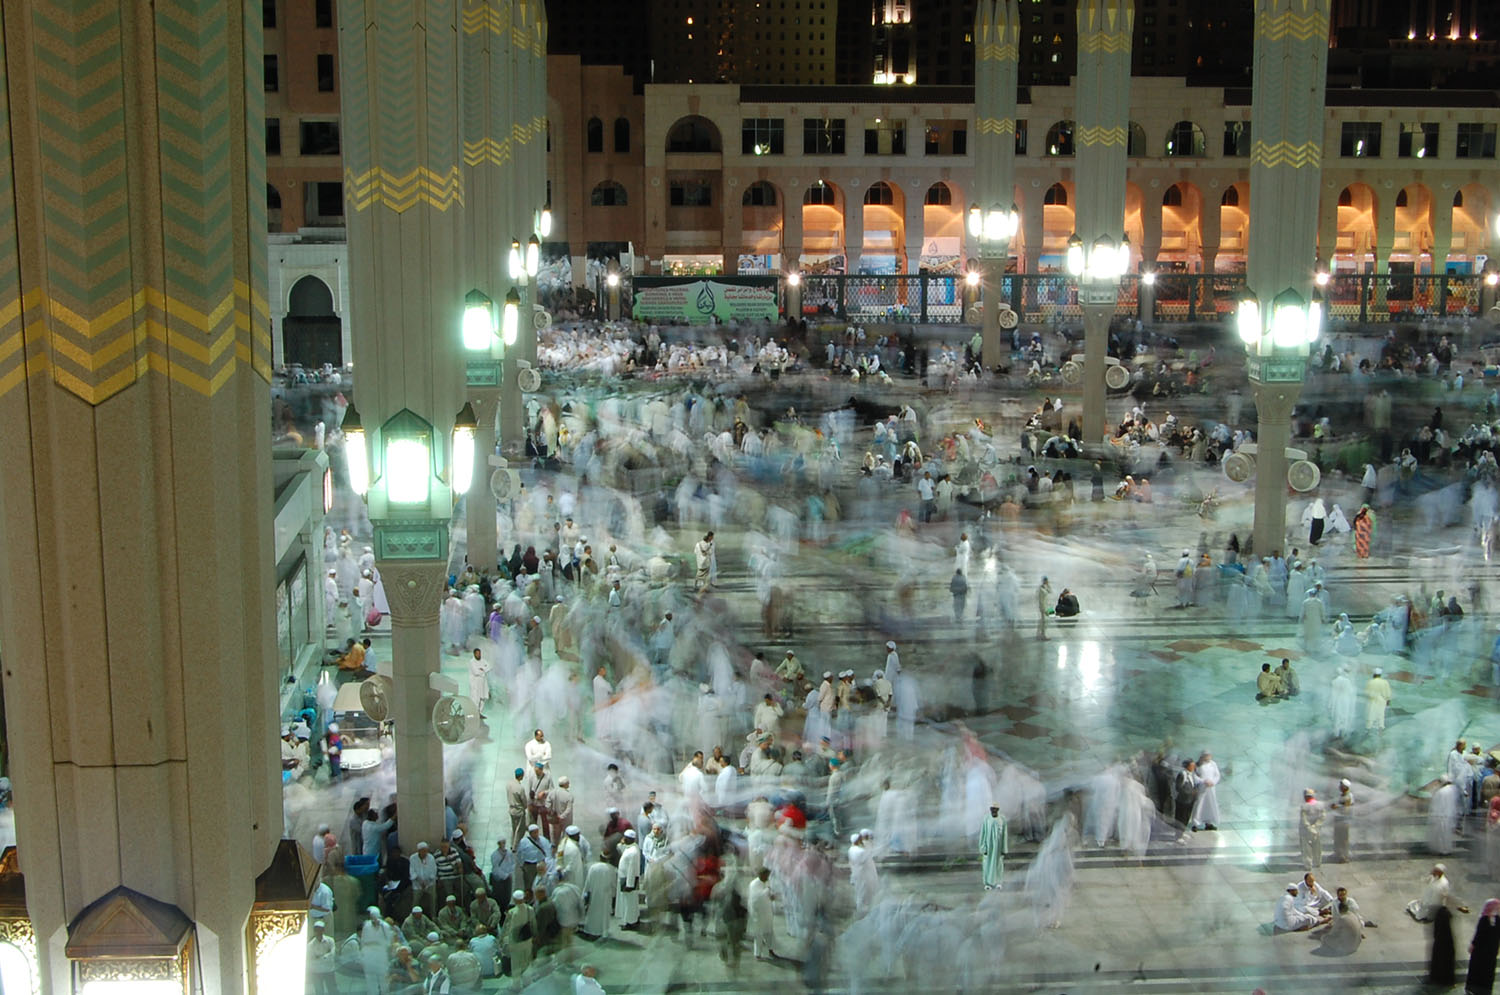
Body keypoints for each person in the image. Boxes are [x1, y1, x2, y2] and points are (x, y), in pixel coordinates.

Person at [1315, 887, 1366, 955]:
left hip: (1347, 946)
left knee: (1325, 938)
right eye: (1341, 895)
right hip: (1350, 921)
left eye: (1344, 895)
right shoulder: (1335, 902)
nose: (1342, 897)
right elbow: (1334, 914)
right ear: (1338, 895)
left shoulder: (1350, 901)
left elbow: (1332, 934)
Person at [1468, 898, 1500, 995]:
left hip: (1480, 952)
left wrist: (1472, 945)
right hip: (1491, 952)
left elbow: (1479, 935)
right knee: (1488, 971)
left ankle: (1473, 988)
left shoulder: (1484, 919)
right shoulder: (1498, 920)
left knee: (1477, 970)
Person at [747, 866, 777, 960]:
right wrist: (767, 891)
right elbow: (756, 898)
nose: (768, 877)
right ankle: (757, 954)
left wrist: (771, 896)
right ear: (761, 875)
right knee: (759, 934)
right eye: (767, 875)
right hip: (758, 914)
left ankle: (771, 950)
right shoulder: (753, 884)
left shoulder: (765, 883)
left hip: (767, 912)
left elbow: (767, 896)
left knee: (769, 932)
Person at [615, 829, 642, 928]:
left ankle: (631, 922)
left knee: (629, 902)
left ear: (630, 839)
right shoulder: (630, 847)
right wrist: (621, 843)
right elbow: (620, 848)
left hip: (628, 880)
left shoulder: (633, 851)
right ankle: (631, 919)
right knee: (628, 901)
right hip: (625, 879)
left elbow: (632, 869)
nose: (623, 839)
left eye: (625, 838)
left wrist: (629, 885)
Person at [979, 803, 1008, 890]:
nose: (994, 811)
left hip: (998, 848)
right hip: (989, 846)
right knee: (987, 864)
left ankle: (998, 882)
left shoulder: (1002, 819)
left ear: (998, 810)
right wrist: (983, 847)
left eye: (995, 809)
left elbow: (1004, 834)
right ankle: (987, 883)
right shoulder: (986, 819)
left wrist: (1004, 848)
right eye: (992, 809)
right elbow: (983, 833)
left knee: (998, 864)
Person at [1191, 752, 1221, 831]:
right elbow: (1194, 776)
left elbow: (1217, 775)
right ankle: (1195, 824)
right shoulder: (1197, 765)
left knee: (1210, 805)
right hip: (1202, 788)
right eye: (1207, 756)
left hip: (1210, 789)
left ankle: (1209, 823)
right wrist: (1204, 781)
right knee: (1199, 805)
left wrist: (1213, 782)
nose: (1208, 757)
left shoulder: (1213, 764)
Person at [307, 920, 338, 995]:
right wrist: (326, 955)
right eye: (316, 930)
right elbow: (311, 958)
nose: (318, 932)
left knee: (333, 990)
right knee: (319, 991)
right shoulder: (310, 945)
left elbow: (332, 954)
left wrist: (320, 957)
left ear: (323, 930)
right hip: (317, 972)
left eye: (320, 929)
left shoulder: (330, 940)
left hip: (329, 970)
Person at [1299, 788, 1326, 869]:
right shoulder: (1320, 805)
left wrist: (1309, 827)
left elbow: (1304, 819)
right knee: (1317, 846)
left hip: (1305, 830)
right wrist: (1316, 826)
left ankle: (1308, 864)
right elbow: (1322, 817)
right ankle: (1317, 862)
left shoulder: (1304, 806)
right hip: (1317, 830)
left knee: (1306, 848)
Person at [1331, 779, 1355, 862]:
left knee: (1343, 839)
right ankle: (1338, 853)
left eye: (1341, 786)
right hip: (1339, 819)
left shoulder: (1348, 796)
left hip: (1344, 820)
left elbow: (1347, 808)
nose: (1339, 787)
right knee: (1337, 838)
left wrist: (1336, 807)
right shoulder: (1342, 795)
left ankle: (1344, 856)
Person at [1036, 576, 1052, 641]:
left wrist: (1048, 586)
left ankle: (1039, 633)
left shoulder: (1046, 587)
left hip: (1048, 606)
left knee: (1047, 620)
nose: (1047, 582)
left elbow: (1050, 591)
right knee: (1044, 621)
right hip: (1044, 607)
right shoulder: (1041, 589)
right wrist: (1042, 608)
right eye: (1046, 581)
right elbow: (1040, 599)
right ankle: (1042, 635)